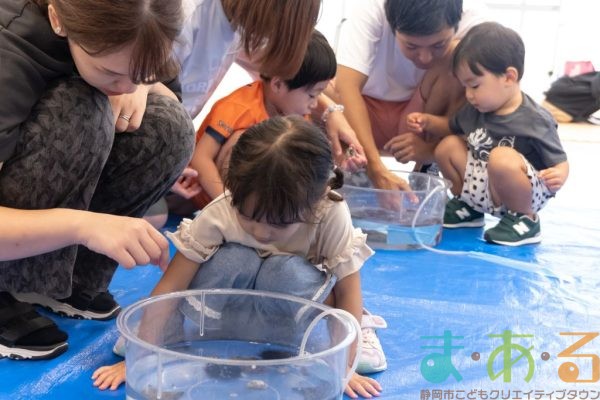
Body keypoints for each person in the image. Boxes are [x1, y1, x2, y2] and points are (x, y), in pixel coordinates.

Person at [92, 116, 383, 398]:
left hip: (289, 316)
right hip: (226, 314)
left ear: (318, 198)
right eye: (248, 216)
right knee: (233, 259)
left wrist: (345, 366)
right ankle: (171, 334)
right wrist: (142, 353)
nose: (261, 232)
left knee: (285, 270)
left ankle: (338, 334)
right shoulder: (222, 212)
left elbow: (347, 292)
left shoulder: (329, 213)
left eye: (279, 223)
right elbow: (172, 286)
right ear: (233, 190)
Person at [0, 0, 194, 360]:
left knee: (170, 126)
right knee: (81, 108)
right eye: (111, 71)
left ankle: (59, 279)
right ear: (58, 19)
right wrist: (82, 226)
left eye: (143, 71)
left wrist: (142, 85)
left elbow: (168, 98)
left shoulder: (145, 29)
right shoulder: (9, 51)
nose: (126, 85)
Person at [406, 22, 569, 246]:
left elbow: (560, 160)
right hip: (484, 186)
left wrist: (559, 174)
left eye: (474, 85)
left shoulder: (535, 119)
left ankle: (526, 220)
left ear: (509, 77)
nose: (469, 94)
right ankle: (469, 207)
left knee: (501, 157)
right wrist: (427, 122)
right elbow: (450, 127)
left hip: (525, 193)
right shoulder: (474, 111)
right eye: (465, 86)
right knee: (448, 146)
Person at [189, 30, 365, 209]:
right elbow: (200, 157)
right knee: (248, 142)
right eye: (313, 94)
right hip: (204, 196)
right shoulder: (239, 107)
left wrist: (341, 162)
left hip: (253, 205)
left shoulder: (296, 111)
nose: (315, 104)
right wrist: (227, 205)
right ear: (278, 84)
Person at [328, 0, 484, 191]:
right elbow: (347, 87)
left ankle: (428, 164)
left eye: (438, 45)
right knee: (321, 85)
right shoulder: (371, 9)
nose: (425, 57)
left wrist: (431, 151)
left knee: (466, 54)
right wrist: (376, 170)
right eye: (412, 46)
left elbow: (497, 96)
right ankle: (357, 161)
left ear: (457, 23)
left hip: (425, 121)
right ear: (393, 28)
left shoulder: (475, 18)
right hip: (363, 117)